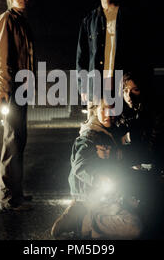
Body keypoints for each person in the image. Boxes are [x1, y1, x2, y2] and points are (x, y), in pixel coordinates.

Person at [51, 99, 143, 239]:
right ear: (94, 110)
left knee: (140, 211)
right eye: (104, 109)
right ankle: (83, 222)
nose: (109, 115)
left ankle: (82, 216)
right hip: (94, 196)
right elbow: (80, 166)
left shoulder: (109, 131)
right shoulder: (89, 137)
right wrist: (99, 179)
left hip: (106, 195)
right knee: (134, 226)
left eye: (113, 110)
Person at [0, 0, 34, 211]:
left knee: (19, 140)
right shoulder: (6, 20)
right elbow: (1, 58)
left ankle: (16, 192)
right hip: (12, 90)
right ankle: (7, 198)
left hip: (22, 89)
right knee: (11, 142)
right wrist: (3, 90)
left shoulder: (22, 22)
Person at [116, 71, 164, 171]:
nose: (129, 95)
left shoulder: (158, 112)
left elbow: (156, 147)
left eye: (135, 90)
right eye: (126, 90)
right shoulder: (121, 113)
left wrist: (129, 138)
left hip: (153, 169)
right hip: (129, 169)